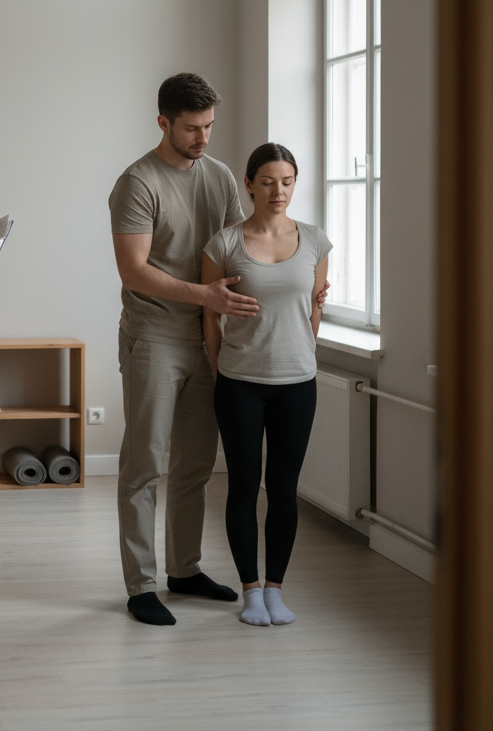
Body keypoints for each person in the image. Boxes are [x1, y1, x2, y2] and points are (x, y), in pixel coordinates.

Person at [108, 72, 257, 626]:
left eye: (210, 127)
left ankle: (185, 569)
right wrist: (205, 296)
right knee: (144, 464)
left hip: (208, 340)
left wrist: (298, 277)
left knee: (196, 465)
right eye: (192, 128)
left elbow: (237, 253)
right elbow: (134, 270)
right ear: (164, 122)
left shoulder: (217, 177)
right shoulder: (137, 182)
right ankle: (141, 584)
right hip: (153, 337)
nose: (203, 138)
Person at [201, 143, 331, 627]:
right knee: (241, 487)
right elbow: (210, 318)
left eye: (288, 181)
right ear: (249, 184)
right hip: (239, 383)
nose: (279, 191)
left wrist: (298, 350)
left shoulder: (316, 241)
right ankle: (250, 591)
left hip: (298, 383)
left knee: (283, 488)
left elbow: (313, 308)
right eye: (269, 181)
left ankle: (275, 587)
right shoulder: (224, 244)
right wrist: (219, 371)